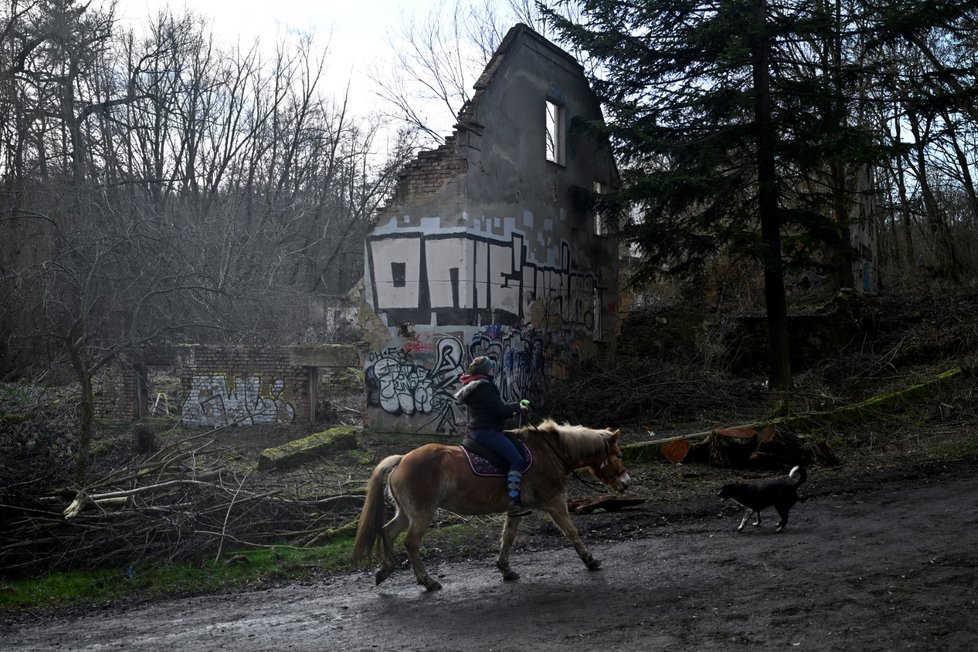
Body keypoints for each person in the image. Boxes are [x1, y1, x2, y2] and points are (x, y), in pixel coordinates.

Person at [453, 356, 532, 517]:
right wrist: (518, 406)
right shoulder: (485, 387)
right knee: (517, 460)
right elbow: (500, 411)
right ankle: (513, 502)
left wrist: (514, 407)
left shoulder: (473, 386)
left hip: (476, 431)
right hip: (487, 432)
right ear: (486, 370)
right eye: (491, 368)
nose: (493, 370)